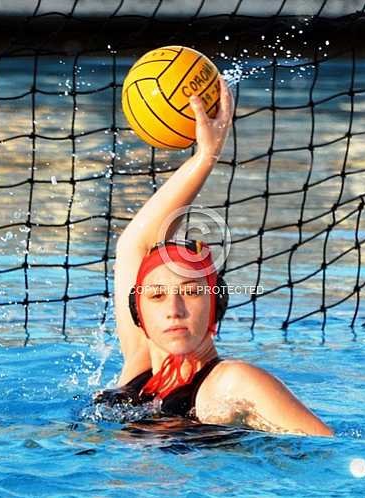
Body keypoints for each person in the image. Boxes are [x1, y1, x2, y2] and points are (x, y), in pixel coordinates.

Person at [96, 77, 333, 437]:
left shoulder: (232, 383)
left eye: (192, 293)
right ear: (138, 314)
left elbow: (325, 448)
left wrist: (209, 157)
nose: (173, 309)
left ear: (215, 307)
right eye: (156, 296)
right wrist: (203, 157)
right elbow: (133, 244)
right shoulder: (139, 367)